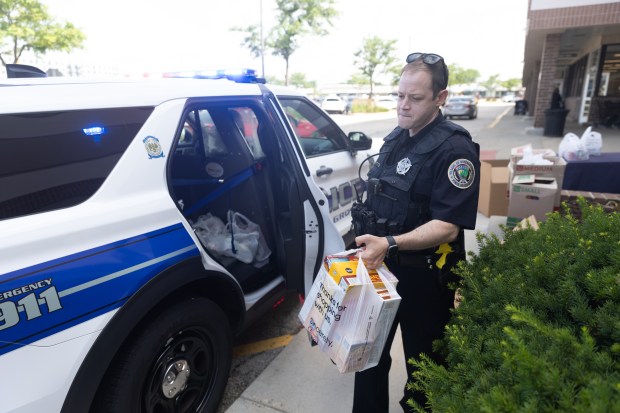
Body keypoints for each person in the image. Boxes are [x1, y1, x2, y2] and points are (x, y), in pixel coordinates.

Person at [351, 52, 480, 412]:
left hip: (426, 277)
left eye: (416, 98)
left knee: (425, 371)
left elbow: (448, 226)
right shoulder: (398, 136)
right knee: (368, 359)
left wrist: (391, 242)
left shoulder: (455, 150)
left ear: (441, 98)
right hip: (383, 269)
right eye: (400, 96)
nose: (403, 106)